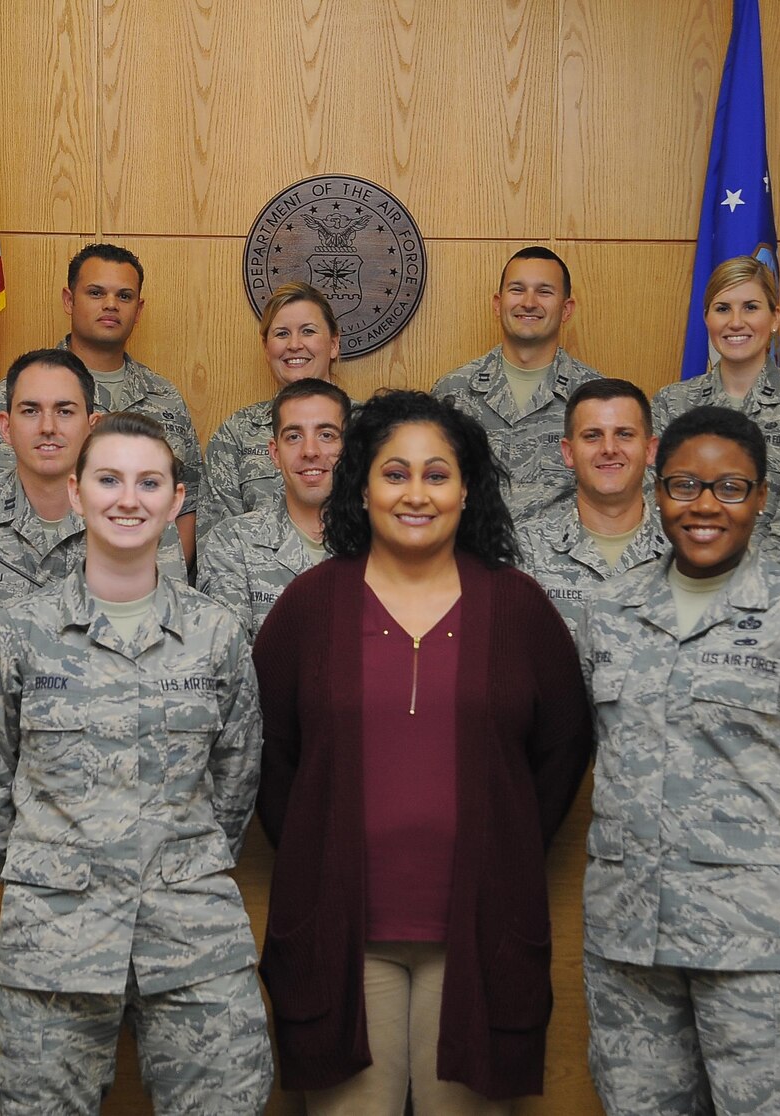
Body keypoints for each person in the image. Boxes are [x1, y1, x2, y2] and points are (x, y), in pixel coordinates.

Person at [253, 390, 594, 1112]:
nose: (416, 493)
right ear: (363, 487)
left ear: (467, 490)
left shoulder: (519, 607)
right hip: (341, 937)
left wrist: (504, 841)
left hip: (479, 932)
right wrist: (322, 846)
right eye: (395, 473)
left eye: (437, 475)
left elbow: (563, 749)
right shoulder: (310, 606)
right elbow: (268, 754)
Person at [0, 412, 272, 1115]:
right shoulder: (17, 638)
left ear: (175, 501)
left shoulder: (217, 636)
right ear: (76, 492)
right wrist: (57, 870)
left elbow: (235, 783)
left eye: (149, 482)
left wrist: (172, 865)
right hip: (55, 943)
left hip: (194, 938)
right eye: (109, 479)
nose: (128, 499)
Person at [577, 406, 780, 1114]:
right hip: (633, 950)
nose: (705, 507)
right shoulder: (609, 615)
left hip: (769, 954)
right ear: (657, 492)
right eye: (685, 486)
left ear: (761, 498)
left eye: (731, 488)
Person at [0, 348, 184, 666]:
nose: (48, 427)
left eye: (65, 411)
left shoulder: (138, 511)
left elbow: (171, 635)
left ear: (92, 425)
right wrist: (17, 675)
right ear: (6, 427)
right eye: (30, 411)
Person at [0, 243, 205, 561]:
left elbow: (185, 507)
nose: (111, 305)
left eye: (124, 296)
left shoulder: (166, 399)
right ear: (69, 300)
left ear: (138, 310)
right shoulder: (18, 395)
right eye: (96, 293)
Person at [651, 255, 780, 577]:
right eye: (723, 308)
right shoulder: (670, 404)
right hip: (682, 592)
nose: (736, 322)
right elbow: (654, 512)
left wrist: (734, 588)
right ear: (706, 318)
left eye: (751, 307)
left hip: (777, 600)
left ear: (775, 316)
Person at [431, 247, 603, 520]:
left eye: (545, 292)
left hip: (561, 560)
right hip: (471, 558)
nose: (529, 302)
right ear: (498, 303)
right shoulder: (453, 392)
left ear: (566, 309)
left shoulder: (596, 398)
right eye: (517, 290)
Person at [514, 378, 668, 638]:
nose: (609, 448)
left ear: (650, 450)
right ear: (569, 453)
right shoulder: (523, 550)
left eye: (624, 434)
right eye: (592, 436)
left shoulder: (686, 552)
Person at [196, 378, 348, 634]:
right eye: (294, 436)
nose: (310, 450)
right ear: (275, 454)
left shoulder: (379, 541)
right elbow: (228, 657)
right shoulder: (233, 543)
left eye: (326, 435)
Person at [197, 282, 347, 537]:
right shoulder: (235, 434)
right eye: (281, 334)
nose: (294, 345)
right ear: (267, 348)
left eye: (308, 331)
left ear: (334, 344)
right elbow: (215, 541)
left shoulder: (372, 426)